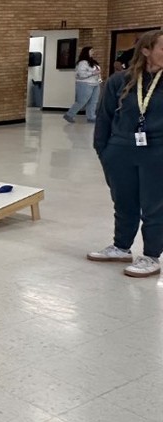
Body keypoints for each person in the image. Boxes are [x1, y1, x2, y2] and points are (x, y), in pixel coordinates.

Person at [88, 28, 163, 278]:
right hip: (121, 151)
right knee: (124, 202)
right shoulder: (119, 81)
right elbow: (104, 117)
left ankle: (151, 255)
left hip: (158, 152)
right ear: (146, 51)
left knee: (154, 206)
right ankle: (121, 247)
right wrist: (104, 151)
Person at [63, 46, 101, 123]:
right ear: (86, 52)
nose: (93, 52)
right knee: (81, 101)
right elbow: (81, 74)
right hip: (85, 84)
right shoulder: (82, 63)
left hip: (95, 83)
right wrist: (93, 73)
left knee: (93, 101)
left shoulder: (93, 62)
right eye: (91, 51)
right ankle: (69, 114)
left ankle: (91, 117)